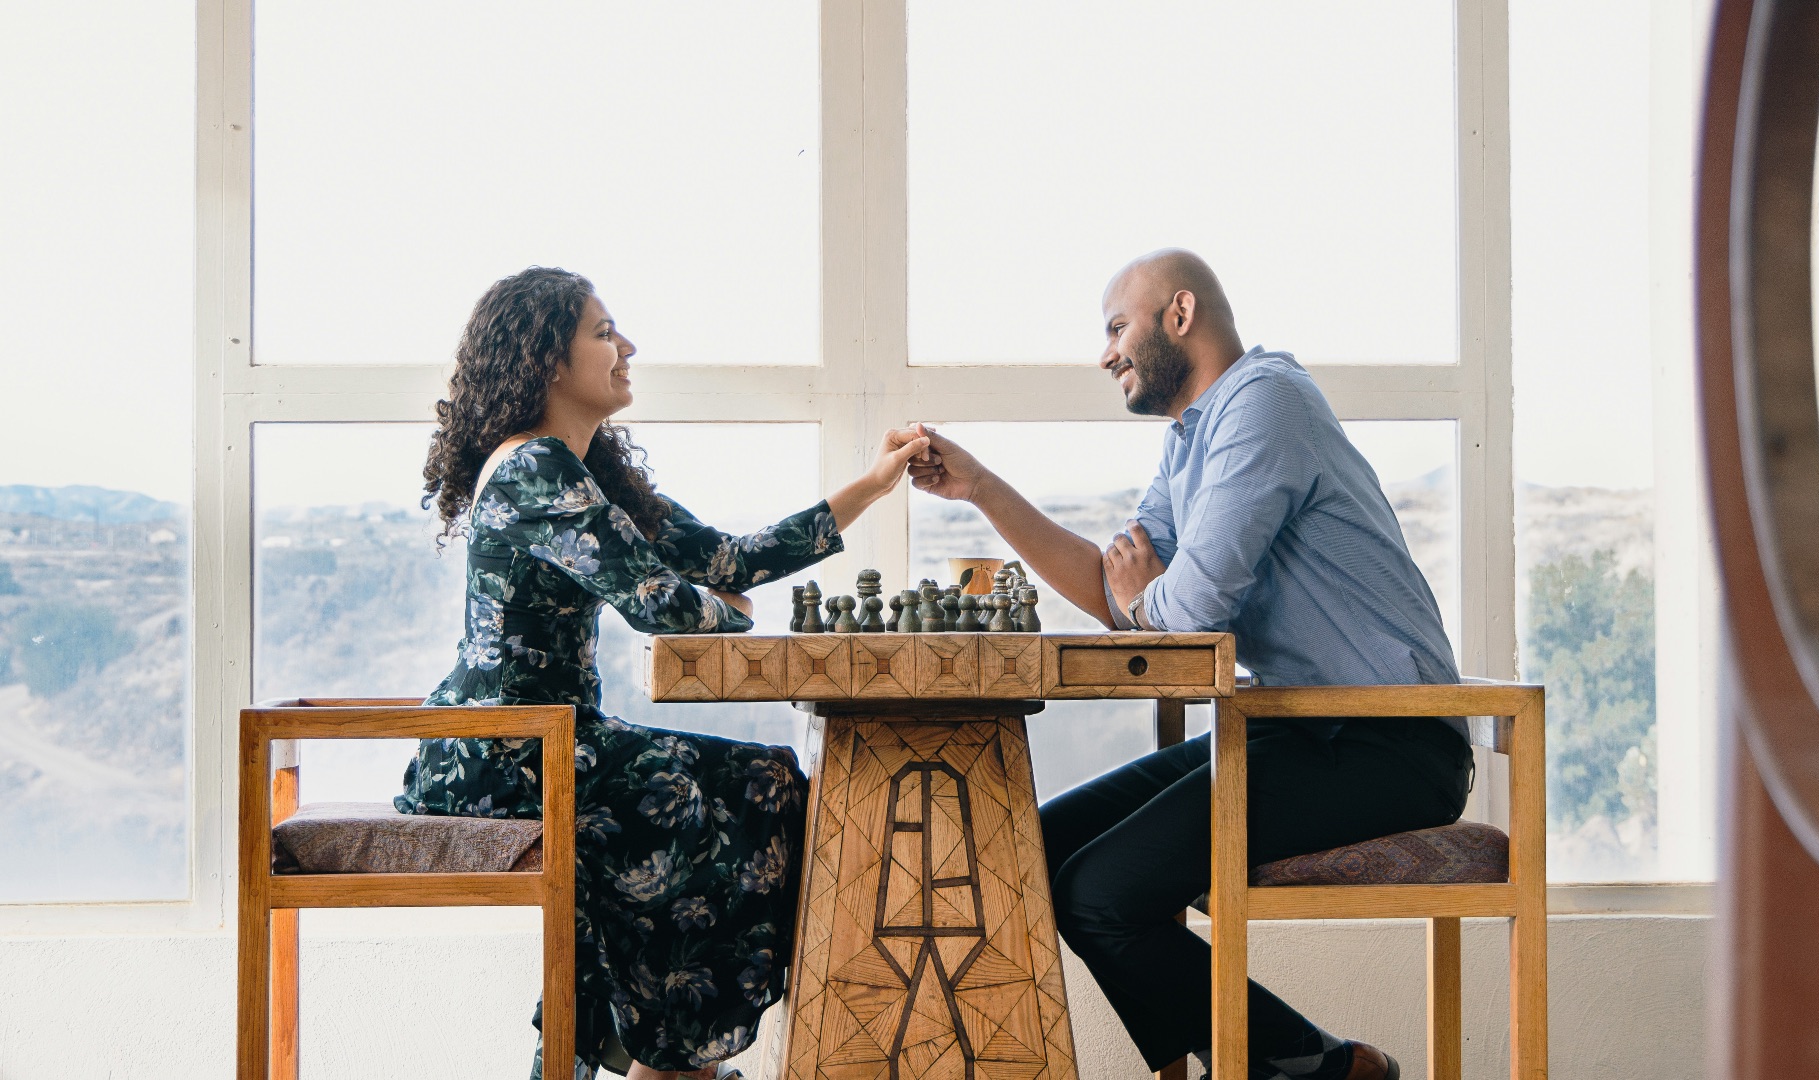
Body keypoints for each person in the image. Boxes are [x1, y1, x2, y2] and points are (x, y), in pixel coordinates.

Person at [905, 249, 1470, 1080]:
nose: (1105, 355)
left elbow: (1186, 610)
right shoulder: (1192, 436)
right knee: (1040, 845)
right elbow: (1119, 591)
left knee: (1100, 892)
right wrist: (982, 488)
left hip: (1389, 744)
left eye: (1115, 327)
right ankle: (1290, 1064)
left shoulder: (1265, 405)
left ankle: (1321, 1065)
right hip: (1298, 729)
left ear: (1179, 315)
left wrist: (1146, 598)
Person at [395, 267, 929, 1080]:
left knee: (764, 784)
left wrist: (873, 485)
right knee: (739, 788)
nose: (627, 346)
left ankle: (668, 1057)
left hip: (559, 743)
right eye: (604, 332)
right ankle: (672, 1061)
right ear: (545, 359)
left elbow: (727, 559)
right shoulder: (531, 467)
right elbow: (661, 604)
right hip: (502, 755)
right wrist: (732, 614)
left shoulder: (588, 472)